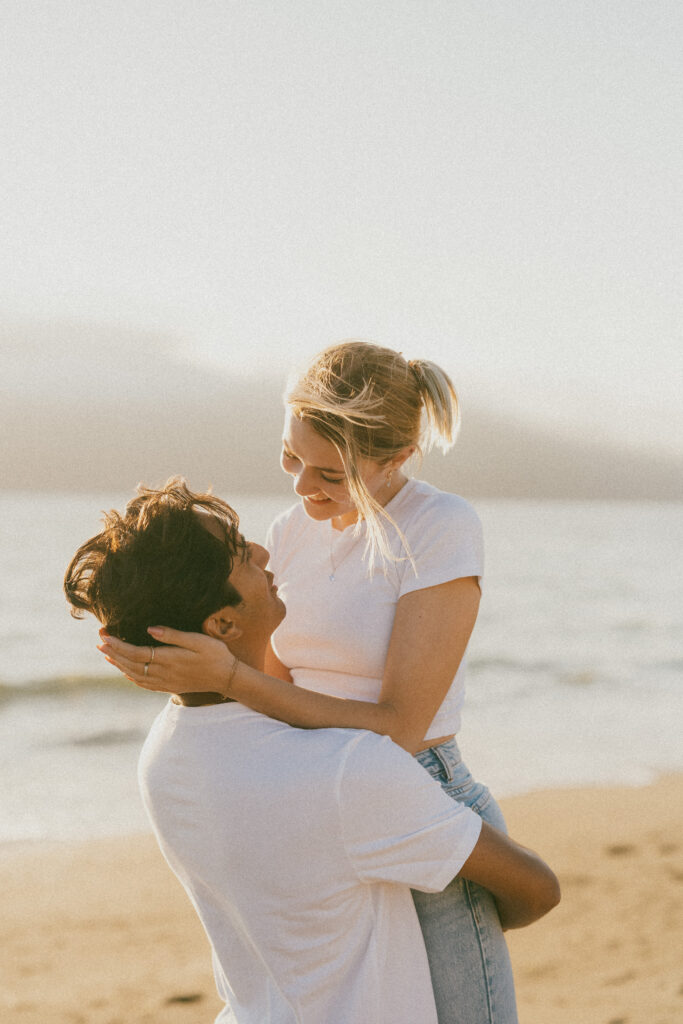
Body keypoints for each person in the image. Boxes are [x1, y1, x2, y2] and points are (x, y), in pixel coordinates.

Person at [99, 342, 523, 1021]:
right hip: (329, 792)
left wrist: (230, 678)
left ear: (398, 457)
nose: (302, 487)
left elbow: (398, 729)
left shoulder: (438, 527)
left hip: (420, 790)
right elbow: (278, 688)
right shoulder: (290, 531)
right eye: (290, 457)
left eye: (330, 473)